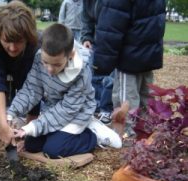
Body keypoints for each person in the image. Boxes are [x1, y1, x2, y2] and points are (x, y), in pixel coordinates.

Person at [8, 23, 122, 159]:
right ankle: (57, 135)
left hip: (76, 114)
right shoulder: (40, 57)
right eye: (46, 62)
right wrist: (10, 114)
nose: (49, 69)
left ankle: (92, 135)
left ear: (70, 55)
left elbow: (66, 111)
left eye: (57, 64)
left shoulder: (80, 73)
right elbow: (31, 89)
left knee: (53, 150)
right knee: (32, 145)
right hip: (54, 110)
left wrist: (31, 127)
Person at [92, 0, 166, 138]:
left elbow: (111, 26)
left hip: (129, 56)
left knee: (126, 98)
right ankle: (144, 130)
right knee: (146, 93)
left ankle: (128, 134)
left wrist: (101, 62)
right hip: (148, 52)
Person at [0, 1, 40, 147]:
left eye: (19, 42)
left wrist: (30, 129)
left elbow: (33, 85)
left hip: (24, 63)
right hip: (0, 59)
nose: (13, 48)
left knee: (24, 81)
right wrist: (3, 124)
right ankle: (7, 121)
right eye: (7, 41)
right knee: (5, 107)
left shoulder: (34, 43)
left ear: (27, 38)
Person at [80, 0, 113, 125]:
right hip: (96, 41)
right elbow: (87, 19)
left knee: (110, 79)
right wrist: (86, 37)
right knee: (94, 76)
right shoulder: (87, 2)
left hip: (113, 41)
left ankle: (107, 109)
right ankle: (96, 108)